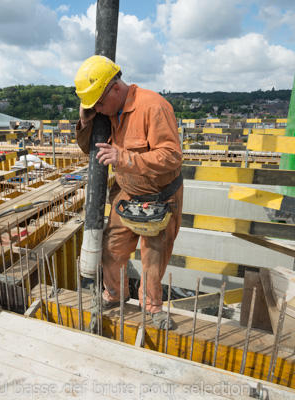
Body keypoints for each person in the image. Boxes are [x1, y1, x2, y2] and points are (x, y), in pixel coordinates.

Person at [74, 55, 183, 329]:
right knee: (111, 249)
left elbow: (171, 157)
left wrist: (124, 159)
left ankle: (153, 307)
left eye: (99, 102)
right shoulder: (108, 111)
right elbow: (89, 148)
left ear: (115, 88)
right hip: (126, 194)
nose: (99, 108)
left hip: (160, 196)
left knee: (153, 257)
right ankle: (114, 295)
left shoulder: (154, 107)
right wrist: (86, 118)